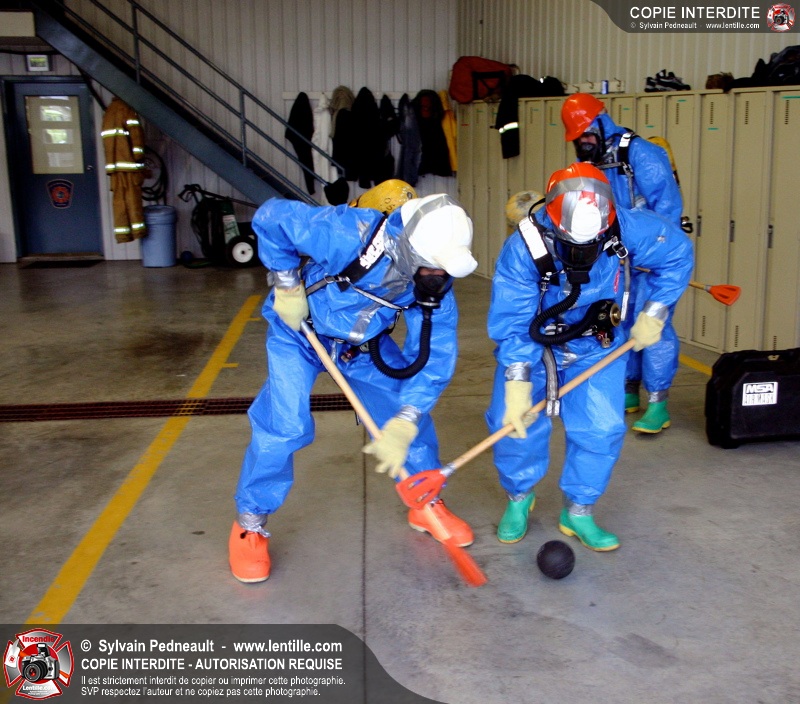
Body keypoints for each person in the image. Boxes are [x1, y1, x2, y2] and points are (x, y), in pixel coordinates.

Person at [229, 182, 479, 583]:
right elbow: (272, 218)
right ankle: (250, 524)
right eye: (432, 269)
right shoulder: (349, 233)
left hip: (361, 345)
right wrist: (286, 283)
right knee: (285, 425)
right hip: (301, 332)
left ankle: (424, 502)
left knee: (406, 412)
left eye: (445, 272)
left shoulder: (435, 283)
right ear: (408, 249)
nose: (438, 279)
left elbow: (433, 359)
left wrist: (406, 418)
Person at [486, 163, 692, 549]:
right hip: (537, 345)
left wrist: (655, 311)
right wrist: (517, 378)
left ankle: (578, 511)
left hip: (596, 345)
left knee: (601, 429)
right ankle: (519, 497)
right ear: (553, 224)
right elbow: (514, 319)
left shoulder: (626, 226)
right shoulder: (523, 247)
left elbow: (677, 254)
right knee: (513, 424)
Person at [562, 93, 686, 434]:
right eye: (578, 139)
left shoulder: (641, 154)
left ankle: (658, 403)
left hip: (649, 257)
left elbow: (668, 207)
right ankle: (629, 390)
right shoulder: (590, 164)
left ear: (602, 124)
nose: (583, 143)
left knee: (653, 325)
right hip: (616, 260)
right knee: (619, 322)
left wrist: (655, 253)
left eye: (588, 135)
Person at [101, 97, 147, 243]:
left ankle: (123, 234)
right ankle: (138, 231)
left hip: (115, 168)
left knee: (119, 202)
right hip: (130, 166)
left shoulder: (109, 112)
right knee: (133, 200)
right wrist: (139, 157)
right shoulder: (127, 110)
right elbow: (136, 135)